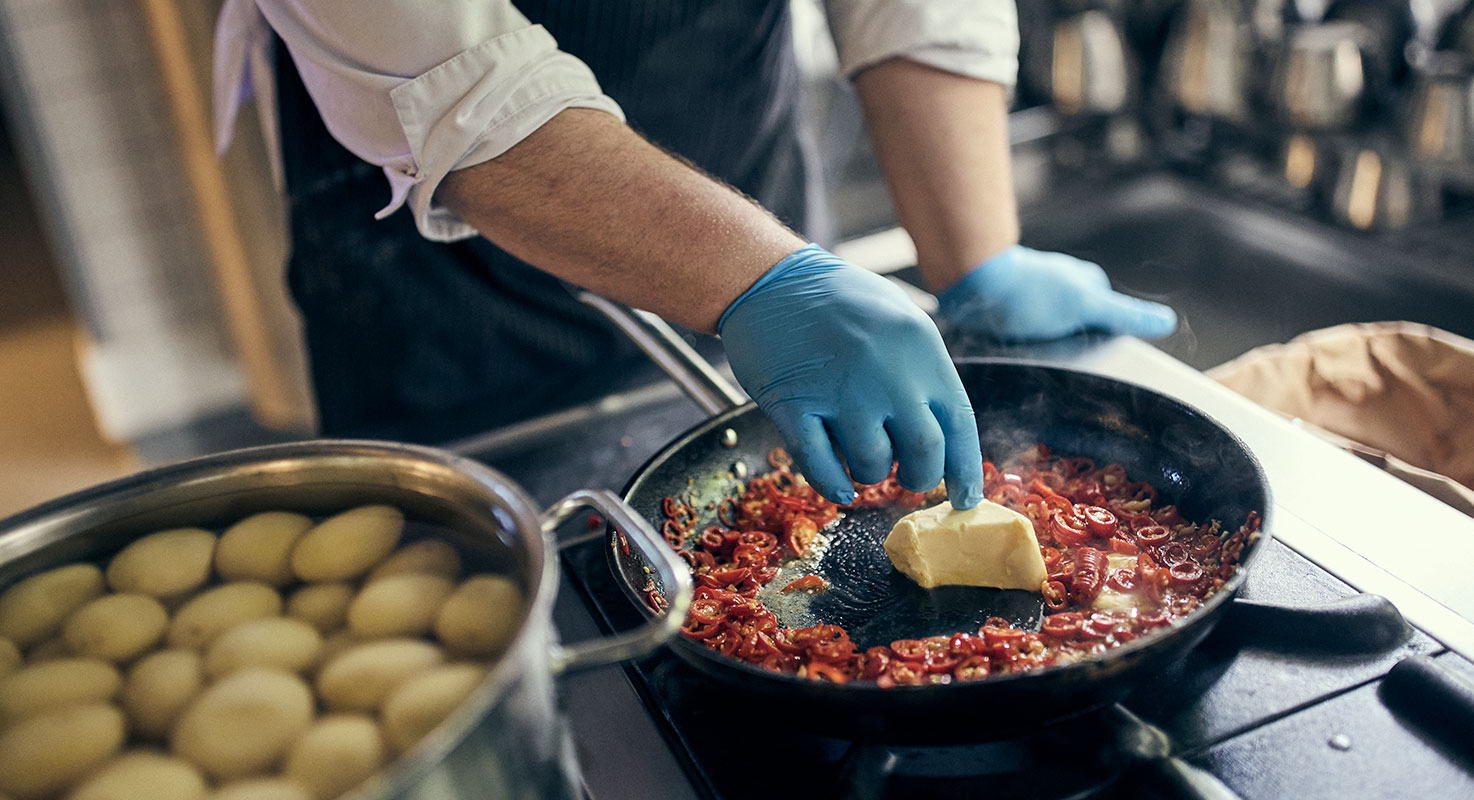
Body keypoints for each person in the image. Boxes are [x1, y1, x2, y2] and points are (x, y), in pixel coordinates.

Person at [214, 0, 1177, 510]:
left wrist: (975, 253)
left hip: (730, 158)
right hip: (437, 257)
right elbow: (451, 85)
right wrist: (760, 280)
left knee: (793, 455)